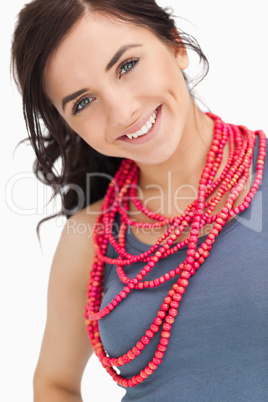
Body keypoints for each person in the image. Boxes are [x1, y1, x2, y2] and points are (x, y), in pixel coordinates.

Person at [11, 0, 267, 401]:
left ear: (176, 46)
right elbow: (54, 383)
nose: (122, 110)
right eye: (83, 102)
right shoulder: (89, 236)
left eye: (127, 66)